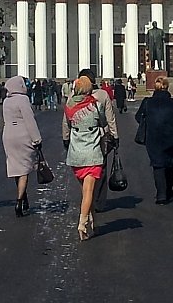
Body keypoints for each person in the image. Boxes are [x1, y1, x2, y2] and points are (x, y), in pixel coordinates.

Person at [62, 75, 107, 240]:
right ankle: (82, 224)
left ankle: (91, 222)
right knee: (89, 191)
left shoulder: (68, 106)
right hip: (92, 153)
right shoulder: (96, 106)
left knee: (87, 192)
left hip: (76, 154)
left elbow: (68, 124)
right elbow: (103, 123)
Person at [135, 76, 173, 204]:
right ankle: (169, 191)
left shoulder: (147, 102)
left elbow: (138, 117)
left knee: (158, 165)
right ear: (167, 87)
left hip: (153, 139)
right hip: (170, 138)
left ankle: (161, 194)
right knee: (169, 165)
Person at [77, 69, 118, 213]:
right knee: (100, 169)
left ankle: (88, 198)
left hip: (79, 140)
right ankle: (98, 201)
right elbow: (109, 118)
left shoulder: (74, 96)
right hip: (100, 137)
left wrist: (66, 137)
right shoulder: (102, 94)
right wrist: (115, 135)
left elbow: (67, 120)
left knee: (83, 169)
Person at [2, 76, 43, 217]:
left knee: (16, 167)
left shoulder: (6, 101)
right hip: (22, 135)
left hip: (8, 135)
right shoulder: (23, 99)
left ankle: (23, 196)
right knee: (24, 169)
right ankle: (19, 201)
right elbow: (29, 120)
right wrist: (37, 139)